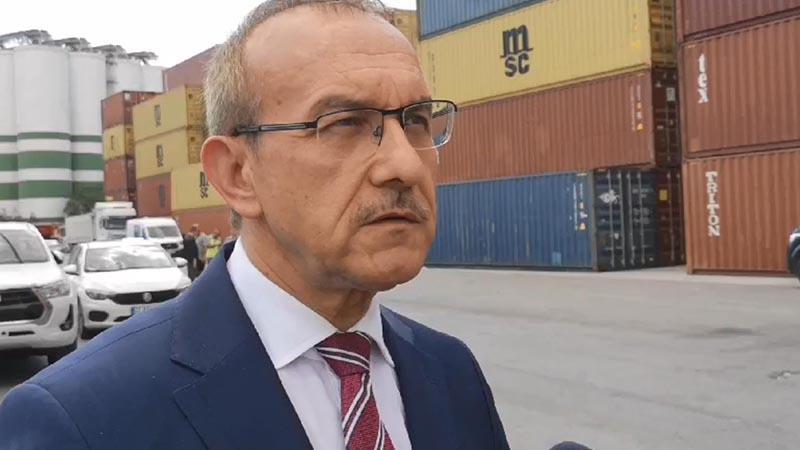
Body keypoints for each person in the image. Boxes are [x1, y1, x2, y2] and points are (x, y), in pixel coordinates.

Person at [0, 2, 509, 449]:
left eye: (416, 120)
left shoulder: (451, 372)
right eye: (344, 124)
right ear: (237, 175)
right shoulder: (81, 420)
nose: (404, 163)